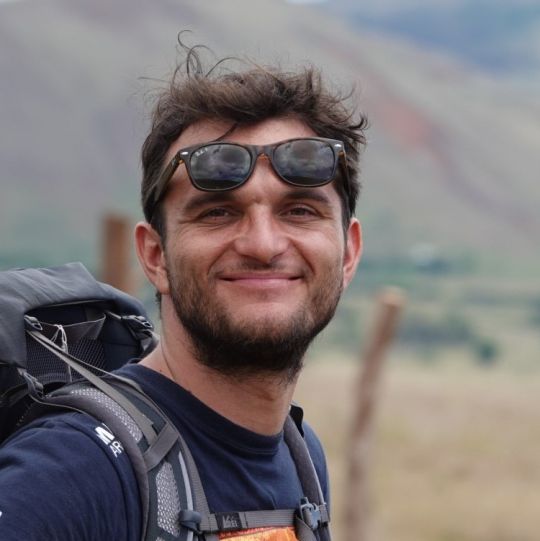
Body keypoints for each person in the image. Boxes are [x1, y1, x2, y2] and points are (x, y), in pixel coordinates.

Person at [0, 44, 366, 541]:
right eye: (218, 212)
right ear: (156, 256)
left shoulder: (298, 456)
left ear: (348, 253)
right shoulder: (73, 474)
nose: (262, 243)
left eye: (299, 210)